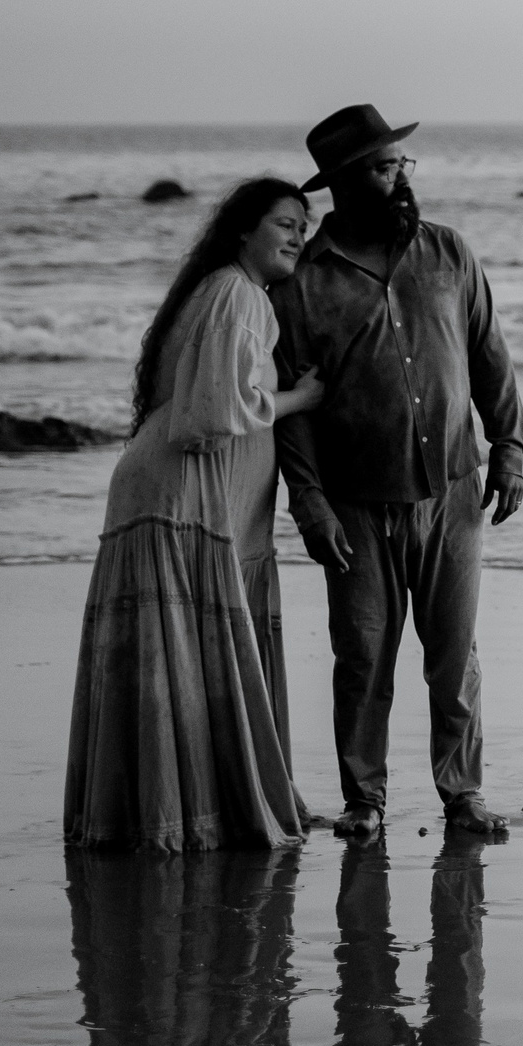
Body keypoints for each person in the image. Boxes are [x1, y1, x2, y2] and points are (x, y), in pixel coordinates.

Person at [271, 104, 523, 841]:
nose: (400, 178)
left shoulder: (449, 253)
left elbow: (490, 355)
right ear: (348, 184)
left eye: (400, 165)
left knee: (453, 655)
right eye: (384, 169)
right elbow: (294, 410)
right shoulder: (302, 282)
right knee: (362, 657)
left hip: (450, 490)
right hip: (352, 500)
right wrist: (309, 505)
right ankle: (365, 801)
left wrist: (509, 444)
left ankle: (463, 794)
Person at [65, 178, 328, 850]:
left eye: (305, 224)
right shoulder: (239, 296)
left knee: (172, 656)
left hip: (180, 498)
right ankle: (181, 819)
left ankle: (168, 812)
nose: (299, 235)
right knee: (175, 656)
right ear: (243, 231)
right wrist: (301, 397)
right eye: (284, 223)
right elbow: (215, 414)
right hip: (184, 499)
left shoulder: (225, 290)